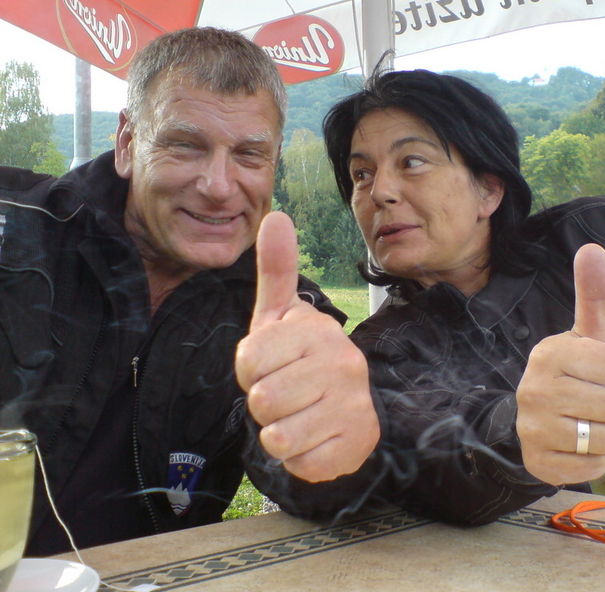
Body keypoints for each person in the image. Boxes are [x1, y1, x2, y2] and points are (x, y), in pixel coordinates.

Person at [287, 67, 605, 527]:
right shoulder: (382, 353)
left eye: (413, 161)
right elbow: (437, 465)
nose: (379, 192)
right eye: (361, 174)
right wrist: (520, 436)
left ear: (489, 189)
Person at [0, 27, 377, 556]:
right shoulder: (12, 229)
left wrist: (335, 447)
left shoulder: (285, 315)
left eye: (249, 154)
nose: (219, 186)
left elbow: (309, 489)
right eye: (184, 145)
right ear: (128, 144)